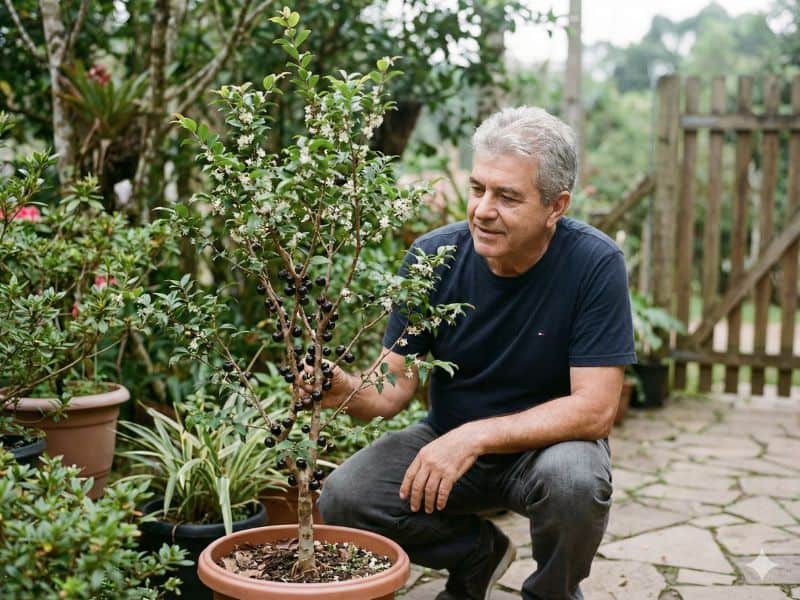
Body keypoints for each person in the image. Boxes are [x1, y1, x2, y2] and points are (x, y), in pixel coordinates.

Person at [315, 106, 636, 600]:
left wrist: (475, 436)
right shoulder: (433, 258)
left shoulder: (594, 264)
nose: (483, 209)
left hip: (544, 453)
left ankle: (552, 594)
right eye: (478, 188)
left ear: (556, 206)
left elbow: (595, 410)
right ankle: (476, 556)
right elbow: (391, 389)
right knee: (345, 497)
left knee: (576, 481)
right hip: (447, 440)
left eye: (507, 196)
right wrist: (340, 387)